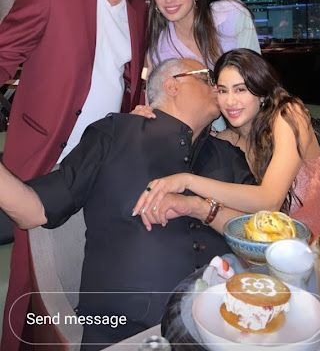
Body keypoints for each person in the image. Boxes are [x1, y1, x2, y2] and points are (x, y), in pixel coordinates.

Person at [0, 58, 252, 351]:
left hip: (231, 327)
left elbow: (259, 236)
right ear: (173, 85)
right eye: (207, 78)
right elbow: (34, 210)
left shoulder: (227, 155)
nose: (218, 88)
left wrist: (198, 206)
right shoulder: (115, 133)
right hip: (130, 334)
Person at [0, 0, 159, 351]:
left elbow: (126, 81)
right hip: (44, 153)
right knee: (32, 283)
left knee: (86, 265)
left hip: (100, 162)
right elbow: (4, 54)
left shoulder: (139, 11)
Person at [133, 49, 320, 240]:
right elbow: (181, 139)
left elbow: (269, 200)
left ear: (261, 92)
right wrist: (150, 117)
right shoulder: (227, 139)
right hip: (269, 248)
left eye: (240, 89)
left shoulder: (289, 115)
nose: (230, 101)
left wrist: (187, 181)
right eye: (223, 91)